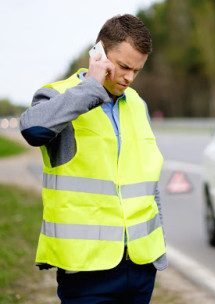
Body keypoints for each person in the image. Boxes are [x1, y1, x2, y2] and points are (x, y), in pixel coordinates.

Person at [19, 14, 167, 304]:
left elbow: (148, 181)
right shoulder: (59, 96)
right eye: (124, 67)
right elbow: (32, 130)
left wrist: (157, 254)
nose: (129, 78)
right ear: (99, 53)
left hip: (140, 269)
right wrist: (92, 87)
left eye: (137, 71)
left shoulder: (138, 105)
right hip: (86, 273)